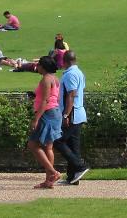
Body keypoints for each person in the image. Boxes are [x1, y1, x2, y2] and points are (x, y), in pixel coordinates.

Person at [53, 50, 90, 185]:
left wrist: (65, 115)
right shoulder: (79, 73)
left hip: (72, 113)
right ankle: (73, 177)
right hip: (78, 113)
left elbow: (71, 95)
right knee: (73, 146)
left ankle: (80, 166)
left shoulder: (70, 75)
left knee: (58, 141)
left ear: (65, 61)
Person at [27, 55, 62, 189]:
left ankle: (53, 173)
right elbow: (55, 97)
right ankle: (49, 181)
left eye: (39, 65)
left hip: (46, 113)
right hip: (55, 112)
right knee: (48, 147)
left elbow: (45, 100)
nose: (37, 67)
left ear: (44, 67)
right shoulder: (55, 79)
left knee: (33, 145)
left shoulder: (46, 80)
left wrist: (36, 119)